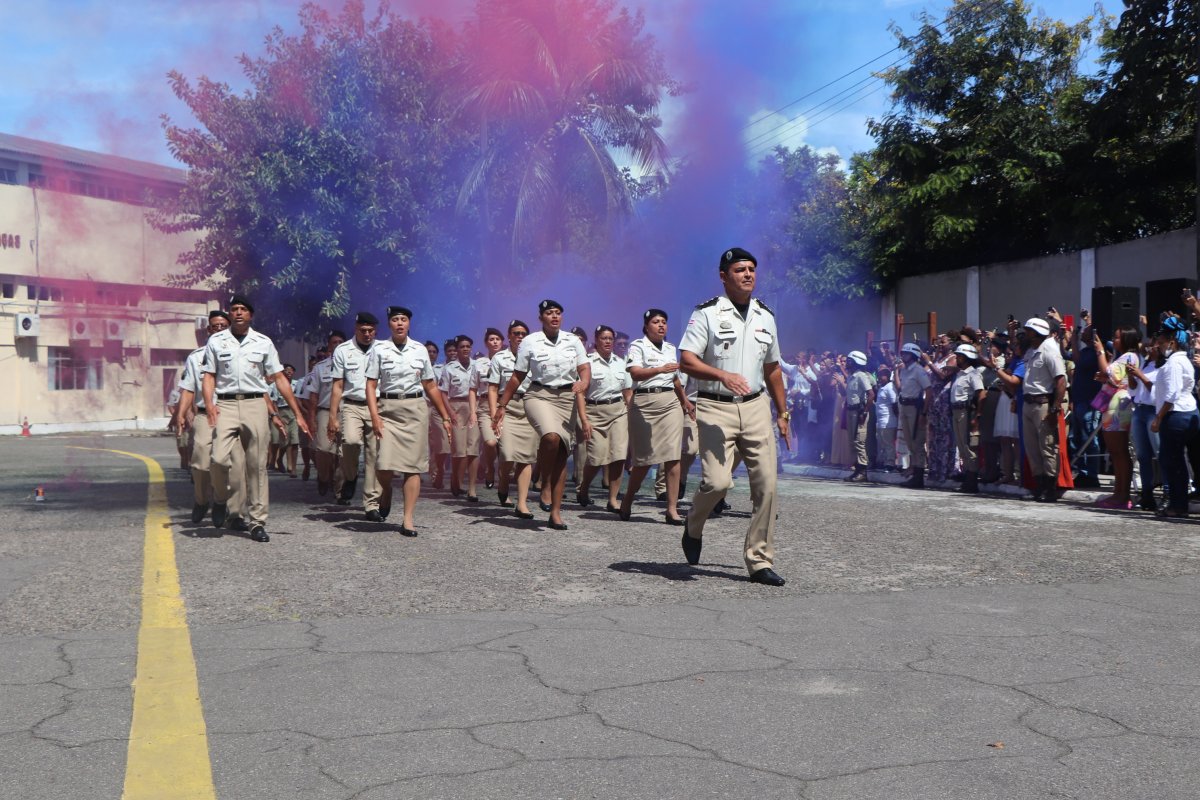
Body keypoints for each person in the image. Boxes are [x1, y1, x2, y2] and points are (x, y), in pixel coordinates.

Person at [679, 247, 790, 586]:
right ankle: (694, 524)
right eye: (740, 269)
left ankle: (759, 561)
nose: (748, 274)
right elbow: (686, 360)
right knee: (717, 482)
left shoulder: (765, 316)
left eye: (752, 269)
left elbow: (772, 369)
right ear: (724, 276)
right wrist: (721, 375)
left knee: (767, 486)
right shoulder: (707, 314)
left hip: (756, 407)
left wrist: (783, 412)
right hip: (715, 406)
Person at [201, 295, 309, 542]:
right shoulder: (217, 341)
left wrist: (298, 413)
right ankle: (220, 499)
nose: (238, 313)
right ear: (230, 314)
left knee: (256, 465)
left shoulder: (263, 342)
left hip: (255, 404)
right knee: (218, 459)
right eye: (234, 309)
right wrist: (209, 404)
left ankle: (257, 521)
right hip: (226, 404)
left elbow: (279, 378)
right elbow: (208, 376)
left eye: (243, 309)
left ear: (250, 315)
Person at [494, 299, 591, 531]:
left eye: (558, 313)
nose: (555, 316)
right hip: (538, 395)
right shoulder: (530, 341)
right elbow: (517, 376)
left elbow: (584, 368)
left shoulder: (572, 341)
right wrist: (502, 405)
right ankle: (543, 480)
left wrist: (584, 382)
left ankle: (556, 513)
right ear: (541, 318)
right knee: (550, 437)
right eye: (549, 313)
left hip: (566, 398)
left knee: (561, 455)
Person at [365, 306, 453, 535]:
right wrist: (374, 416)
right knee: (383, 464)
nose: (400, 323)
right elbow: (371, 384)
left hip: (415, 409)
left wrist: (444, 415)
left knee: (412, 468)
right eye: (395, 320)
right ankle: (385, 493)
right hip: (387, 410)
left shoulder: (419, 350)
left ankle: (407, 519)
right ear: (389, 324)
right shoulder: (379, 349)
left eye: (403, 319)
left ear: (409, 323)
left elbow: (430, 385)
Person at [174, 310, 246, 524]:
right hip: (205, 416)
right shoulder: (196, 357)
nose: (219, 330)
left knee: (234, 466)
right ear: (208, 330)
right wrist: (180, 414)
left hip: (232, 412)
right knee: (201, 464)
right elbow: (188, 388)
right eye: (215, 326)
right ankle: (202, 500)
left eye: (223, 326)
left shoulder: (240, 352)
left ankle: (233, 513)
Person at [621, 309, 691, 523]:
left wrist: (684, 400)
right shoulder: (638, 346)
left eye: (664, 322)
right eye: (656, 322)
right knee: (643, 460)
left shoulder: (670, 348)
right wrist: (659, 369)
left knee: (673, 456)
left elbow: (675, 379)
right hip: (644, 402)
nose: (661, 325)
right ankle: (628, 500)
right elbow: (635, 373)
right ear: (646, 326)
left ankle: (672, 509)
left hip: (670, 402)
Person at [328, 312, 382, 519]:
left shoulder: (382, 349)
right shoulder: (343, 351)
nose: (367, 334)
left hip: (377, 406)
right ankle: (350, 476)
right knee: (350, 443)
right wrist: (333, 417)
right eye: (363, 330)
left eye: (370, 331)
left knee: (374, 455)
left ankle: (371, 504)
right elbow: (338, 385)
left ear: (375, 331)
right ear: (356, 329)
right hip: (352, 405)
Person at [578, 325, 633, 512]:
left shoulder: (621, 362)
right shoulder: (588, 363)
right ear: (596, 340)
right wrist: (584, 419)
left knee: (618, 456)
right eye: (604, 338)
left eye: (610, 338)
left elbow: (627, 391)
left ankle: (613, 499)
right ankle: (583, 488)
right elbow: (580, 393)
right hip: (595, 412)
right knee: (596, 457)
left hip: (618, 411)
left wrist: (632, 413)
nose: (608, 341)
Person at [488, 320, 538, 519]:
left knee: (526, 457)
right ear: (508, 336)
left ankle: (522, 503)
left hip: (529, 406)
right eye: (516, 333)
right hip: (506, 407)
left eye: (523, 333)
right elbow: (492, 388)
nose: (520, 336)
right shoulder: (500, 358)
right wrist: (494, 413)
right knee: (508, 454)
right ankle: (503, 483)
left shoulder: (534, 357)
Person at [1149, 319, 1197, 518]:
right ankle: (1182, 502)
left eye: (1161, 340)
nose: (1158, 344)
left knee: (1174, 462)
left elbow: (1172, 395)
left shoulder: (1174, 364)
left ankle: (1178, 506)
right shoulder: (1184, 360)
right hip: (1190, 412)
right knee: (1189, 460)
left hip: (1175, 415)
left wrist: (1158, 418)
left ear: (1172, 342)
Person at [1020, 317, 1068, 502]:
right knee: (1032, 448)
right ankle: (1039, 485)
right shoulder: (1033, 351)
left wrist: (1055, 409)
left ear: (1037, 332)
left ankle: (1050, 487)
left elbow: (1060, 380)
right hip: (1028, 402)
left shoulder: (1050, 349)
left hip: (1043, 404)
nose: (1026, 334)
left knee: (1047, 447)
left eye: (1029, 331)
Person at [1093, 327, 1140, 509]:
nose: (1114, 339)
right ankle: (1118, 493)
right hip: (1113, 405)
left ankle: (1122, 495)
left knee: (1120, 451)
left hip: (1119, 407)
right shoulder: (1123, 357)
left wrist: (1100, 351)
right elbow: (1112, 377)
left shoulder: (1129, 357)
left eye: (1118, 337)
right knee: (1115, 452)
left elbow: (1110, 372)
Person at [302, 331, 348, 497]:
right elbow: (313, 395)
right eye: (334, 342)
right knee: (323, 449)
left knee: (344, 453)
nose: (337, 344)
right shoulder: (320, 368)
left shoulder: (354, 364)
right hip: (324, 411)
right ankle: (323, 477)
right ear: (329, 346)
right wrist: (311, 419)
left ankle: (340, 489)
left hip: (346, 411)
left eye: (340, 341)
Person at [441, 335, 480, 500]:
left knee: (473, 449)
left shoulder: (477, 366)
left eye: (468, 346)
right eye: (462, 347)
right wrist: (450, 412)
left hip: (474, 406)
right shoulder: (449, 368)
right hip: (456, 407)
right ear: (456, 350)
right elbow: (443, 392)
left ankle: (471, 488)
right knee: (459, 450)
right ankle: (455, 481)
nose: (465, 349)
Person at [1126, 340, 1161, 510]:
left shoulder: (1163, 367)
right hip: (1139, 410)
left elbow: (1156, 393)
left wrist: (1140, 375)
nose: (1150, 348)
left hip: (1153, 411)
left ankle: (1168, 491)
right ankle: (1147, 493)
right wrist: (1131, 376)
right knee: (1142, 455)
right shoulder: (1146, 365)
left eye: (1154, 345)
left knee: (1160, 452)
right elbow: (1133, 390)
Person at [949, 344, 986, 493]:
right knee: (962, 446)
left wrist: (977, 415)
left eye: (959, 356)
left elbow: (981, 394)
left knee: (969, 447)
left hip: (966, 411)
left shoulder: (973, 374)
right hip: (956, 411)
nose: (957, 358)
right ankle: (967, 478)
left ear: (966, 358)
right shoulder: (960, 374)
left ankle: (972, 480)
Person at [473, 328, 505, 490]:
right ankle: (489, 467)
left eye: (498, 339)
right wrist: (473, 411)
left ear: (502, 342)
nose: (494, 342)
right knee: (491, 442)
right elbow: (473, 388)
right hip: (485, 406)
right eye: (491, 339)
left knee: (505, 450)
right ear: (486, 343)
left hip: (504, 405)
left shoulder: (509, 360)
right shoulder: (478, 364)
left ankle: (503, 489)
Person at [843, 350, 874, 482]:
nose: (847, 363)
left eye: (849, 361)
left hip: (859, 412)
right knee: (852, 442)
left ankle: (863, 471)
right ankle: (856, 470)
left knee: (859, 441)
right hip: (850, 411)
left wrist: (865, 411)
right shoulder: (851, 376)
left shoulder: (861, 376)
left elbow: (871, 394)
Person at [424, 340, 450, 488]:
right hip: (422, 405)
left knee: (442, 443)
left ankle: (439, 468)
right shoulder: (417, 367)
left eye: (434, 352)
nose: (431, 354)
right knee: (424, 443)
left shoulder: (442, 369)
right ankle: (431, 472)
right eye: (429, 351)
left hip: (437, 407)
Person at [268, 364, 300, 475]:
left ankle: (294, 468)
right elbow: (274, 402)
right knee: (284, 441)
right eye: (286, 371)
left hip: (293, 412)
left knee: (295, 441)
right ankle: (279, 458)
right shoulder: (275, 385)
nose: (289, 373)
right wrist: (278, 417)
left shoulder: (297, 384)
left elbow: (299, 400)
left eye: (291, 371)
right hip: (282, 412)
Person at [874, 364, 898, 471]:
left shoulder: (890, 387)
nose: (879, 377)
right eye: (879, 375)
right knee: (882, 443)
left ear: (887, 376)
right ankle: (883, 462)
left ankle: (890, 464)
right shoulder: (881, 388)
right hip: (880, 421)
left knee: (888, 444)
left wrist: (896, 419)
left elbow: (894, 404)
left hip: (888, 421)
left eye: (882, 375)